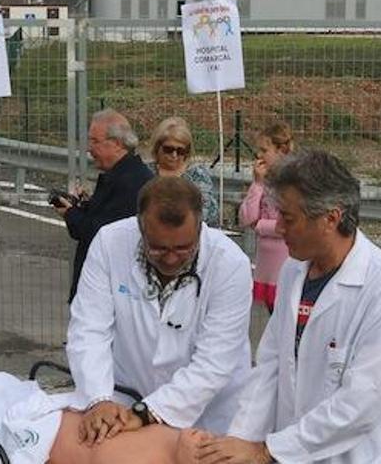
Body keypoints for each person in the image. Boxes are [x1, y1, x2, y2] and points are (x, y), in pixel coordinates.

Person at [196, 149, 381, 464]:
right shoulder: (293, 270)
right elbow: (270, 366)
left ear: (331, 218)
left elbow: (362, 403)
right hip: (297, 451)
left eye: (288, 219)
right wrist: (240, 440)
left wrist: (267, 451)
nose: (278, 229)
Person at [66, 176, 253, 446]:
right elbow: (89, 330)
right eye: (158, 247)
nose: (170, 257)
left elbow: (213, 363)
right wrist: (98, 399)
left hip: (209, 414)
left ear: (200, 227)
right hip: (125, 402)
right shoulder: (109, 243)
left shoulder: (230, 264)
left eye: (183, 248)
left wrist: (146, 412)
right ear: (140, 226)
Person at [54, 109, 153, 302]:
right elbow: (103, 218)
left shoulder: (130, 182)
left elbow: (100, 233)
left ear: (116, 144)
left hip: (109, 290)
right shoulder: (124, 175)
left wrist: (71, 214)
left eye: (94, 141)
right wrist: (85, 206)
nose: (89, 149)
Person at [238, 121, 294, 314]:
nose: (259, 156)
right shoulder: (264, 182)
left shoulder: (292, 183)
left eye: (264, 150)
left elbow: (286, 226)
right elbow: (246, 218)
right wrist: (257, 184)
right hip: (266, 264)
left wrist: (260, 225)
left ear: (281, 150)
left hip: (285, 262)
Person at [148, 117, 219, 226]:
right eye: (168, 149)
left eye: (181, 151)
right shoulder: (146, 172)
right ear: (157, 147)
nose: (174, 155)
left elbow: (206, 213)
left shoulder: (197, 175)